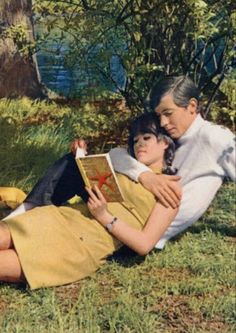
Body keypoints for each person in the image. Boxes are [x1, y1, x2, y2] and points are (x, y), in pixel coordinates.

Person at [5, 75, 236, 248]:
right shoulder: (170, 136)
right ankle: (25, 212)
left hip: (144, 222)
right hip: (130, 201)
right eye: (159, 115)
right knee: (74, 164)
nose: (163, 122)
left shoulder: (215, 139)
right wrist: (145, 177)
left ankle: (25, 215)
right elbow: (117, 155)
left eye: (168, 113)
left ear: (192, 106)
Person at [0, 112, 179, 289]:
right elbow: (112, 155)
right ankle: (28, 207)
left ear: (164, 142)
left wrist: (104, 216)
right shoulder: (126, 164)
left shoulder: (171, 189)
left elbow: (144, 244)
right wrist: (81, 155)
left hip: (85, 243)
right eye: (135, 140)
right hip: (64, 217)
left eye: (146, 138)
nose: (139, 144)